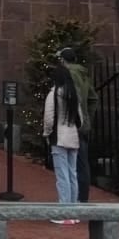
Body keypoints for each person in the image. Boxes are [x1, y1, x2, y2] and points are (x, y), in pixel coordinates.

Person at [42, 60, 85, 222]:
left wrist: (47, 134)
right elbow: (80, 118)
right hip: (72, 135)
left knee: (62, 175)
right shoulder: (74, 94)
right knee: (72, 173)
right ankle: (73, 210)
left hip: (59, 136)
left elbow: (48, 117)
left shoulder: (54, 94)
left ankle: (64, 210)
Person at [58, 46, 97, 203]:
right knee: (82, 163)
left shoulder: (68, 74)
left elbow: (74, 98)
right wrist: (87, 118)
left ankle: (71, 201)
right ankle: (82, 198)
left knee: (68, 165)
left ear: (62, 60)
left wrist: (75, 118)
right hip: (82, 125)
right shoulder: (83, 74)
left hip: (71, 124)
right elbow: (93, 99)